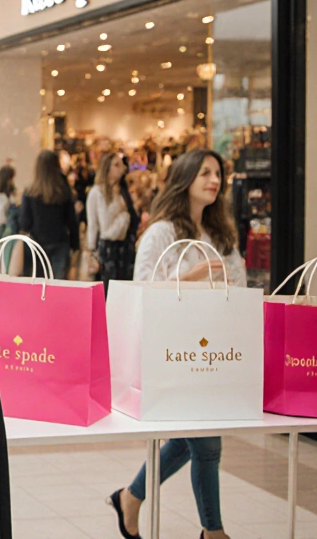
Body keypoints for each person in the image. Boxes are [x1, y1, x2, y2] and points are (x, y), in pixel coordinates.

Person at [108, 149, 244, 539]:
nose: (213, 180)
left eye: (217, 173)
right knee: (206, 442)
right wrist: (194, 274)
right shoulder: (161, 232)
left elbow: (238, 286)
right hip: (169, 354)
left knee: (191, 440)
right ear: (185, 178)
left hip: (213, 351)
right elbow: (141, 290)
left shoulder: (222, 235)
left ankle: (130, 498)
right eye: (204, 172)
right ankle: (213, 532)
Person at [19, 149, 78, 280]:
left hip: (37, 245)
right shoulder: (63, 190)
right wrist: (75, 245)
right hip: (60, 244)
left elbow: (25, 223)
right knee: (58, 288)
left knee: (39, 288)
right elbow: (71, 220)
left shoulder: (30, 192)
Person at [86, 152, 134, 289]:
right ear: (106, 168)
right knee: (106, 290)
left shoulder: (122, 192)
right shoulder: (97, 192)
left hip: (124, 247)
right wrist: (92, 250)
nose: (121, 168)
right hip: (107, 248)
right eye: (116, 165)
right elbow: (94, 224)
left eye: (121, 165)